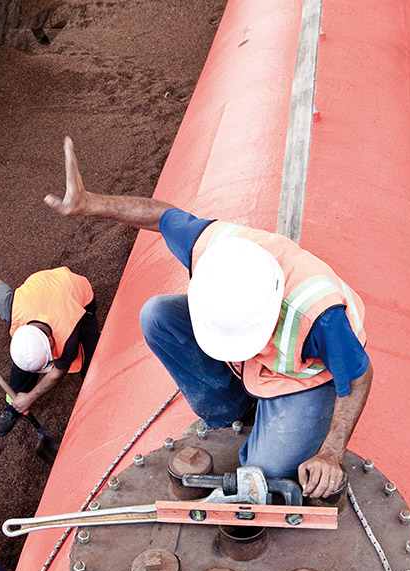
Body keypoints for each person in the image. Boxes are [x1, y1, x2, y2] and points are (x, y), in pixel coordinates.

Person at [43, 136, 373, 500]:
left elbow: (359, 377)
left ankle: (271, 422)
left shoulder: (319, 314)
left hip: (303, 379)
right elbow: (160, 216)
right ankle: (229, 414)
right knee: (157, 316)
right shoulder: (212, 248)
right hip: (256, 364)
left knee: (263, 474)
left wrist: (330, 452)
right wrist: (91, 204)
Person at [0, 266, 99, 439]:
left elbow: (57, 373)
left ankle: (98, 401)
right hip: (39, 290)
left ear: (51, 341)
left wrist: (30, 398)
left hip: (76, 291)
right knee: (23, 365)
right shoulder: (12, 308)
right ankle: (12, 407)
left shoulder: (68, 334)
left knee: (91, 361)